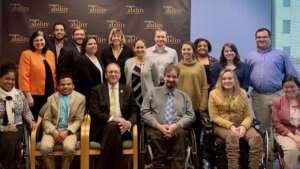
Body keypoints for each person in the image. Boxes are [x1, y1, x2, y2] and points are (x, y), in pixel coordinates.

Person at [245, 27, 300, 132]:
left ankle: (281, 147)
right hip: (259, 97)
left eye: (265, 37)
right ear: (255, 39)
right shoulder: (249, 56)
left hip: (278, 95)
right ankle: (267, 148)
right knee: (264, 127)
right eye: (259, 37)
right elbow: (245, 77)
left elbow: (292, 73)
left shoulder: (280, 54)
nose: (261, 39)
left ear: (270, 38)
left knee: (281, 124)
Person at [141, 65, 195, 169]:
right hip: (156, 128)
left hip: (177, 129)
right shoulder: (152, 92)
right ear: (164, 77)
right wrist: (159, 127)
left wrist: (175, 126)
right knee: (155, 135)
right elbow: (144, 112)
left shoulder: (184, 96)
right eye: (168, 76)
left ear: (178, 79)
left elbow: (191, 115)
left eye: (174, 77)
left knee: (181, 133)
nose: (171, 79)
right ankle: (158, 166)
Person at [208, 68, 263, 169]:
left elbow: (248, 115)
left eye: (230, 78)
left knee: (257, 139)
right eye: (224, 79)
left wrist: (243, 127)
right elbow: (214, 117)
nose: (227, 81)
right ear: (220, 80)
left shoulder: (242, 93)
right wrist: (231, 126)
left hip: (241, 123)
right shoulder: (214, 94)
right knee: (233, 137)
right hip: (221, 125)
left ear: (235, 80)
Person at [89, 63, 139, 169]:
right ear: (106, 75)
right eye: (110, 72)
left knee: (114, 128)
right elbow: (94, 112)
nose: (113, 74)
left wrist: (128, 123)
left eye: (116, 72)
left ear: (120, 75)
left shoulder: (128, 90)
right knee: (112, 126)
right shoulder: (97, 90)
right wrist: (114, 119)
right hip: (102, 130)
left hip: (123, 130)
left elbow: (135, 112)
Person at [40, 74, 85, 169]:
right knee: (44, 148)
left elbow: (79, 120)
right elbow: (46, 120)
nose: (66, 87)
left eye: (69, 84)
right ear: (58, 86)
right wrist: (54, 131)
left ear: (73, 86)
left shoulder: (80, 98)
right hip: (53, 130)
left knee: (68, 148)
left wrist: (67, 131)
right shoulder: (51, 98)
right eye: (63, 84)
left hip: (70, 131)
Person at [0, 62, 36, 169]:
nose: (10, 82)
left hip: (16, 126)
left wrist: (31, 121)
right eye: (7, 79)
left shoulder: (19, 94)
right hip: (1, 127)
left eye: (12, 79)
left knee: (8, 139)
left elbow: (26, 111)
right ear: (0, 78)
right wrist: (4, 128)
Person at [176, 41, 208, 154]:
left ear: (193, 51)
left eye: (188, 49)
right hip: (180, 107)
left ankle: (196, 159)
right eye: (184, 49)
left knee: (196, 134)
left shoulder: (199, 66)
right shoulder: (176, 66)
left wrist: (203, 104)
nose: (186, 51)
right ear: (181, 51)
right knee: (181, 135)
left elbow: (204, 86)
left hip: (196, 106)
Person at [19, 30, 56, 120]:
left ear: (45, 41)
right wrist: (28, 96)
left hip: (50, 93)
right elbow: (23, 76)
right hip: (34, 95)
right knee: (35, 121)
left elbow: (54, 74)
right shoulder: (26, 54)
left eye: (41, 40)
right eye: (36, 40)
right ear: (32, 42)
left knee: (48, 119)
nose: (39, 42)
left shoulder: (50, 54)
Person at [272, 75, 300, 169]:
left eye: (292, 86)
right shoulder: (277, 102)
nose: (289, 89)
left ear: (298, 87)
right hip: (284, 133)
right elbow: (277, 124)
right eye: (286, 87)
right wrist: (295, 139)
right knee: (292, 149)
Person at [124, 39, 160, 107]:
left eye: (142, 47)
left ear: (146, 48)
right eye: (137, 47)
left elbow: (156, 82)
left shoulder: (152, 62)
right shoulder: (128, 62)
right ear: (134, 48)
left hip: (148, 98)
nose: (140, 49)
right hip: (131, 99)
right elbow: (127, 78)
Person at [73, 37, 105, 109]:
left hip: (99, 95)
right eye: (90, 44)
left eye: (94, 43)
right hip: (89, 96)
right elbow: (87, 80)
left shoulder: (97, 58)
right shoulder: (82, 59)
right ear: (84, 47)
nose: (93, 45)